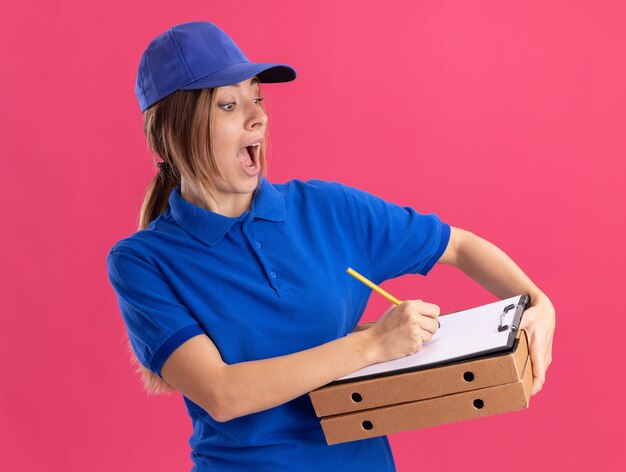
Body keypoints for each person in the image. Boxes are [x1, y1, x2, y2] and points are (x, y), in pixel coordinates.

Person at [106, 20, 556, 471]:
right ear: (172, 134)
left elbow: (457, 246)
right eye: (228, 104)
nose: (258, 115)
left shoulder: (327, 208)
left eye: (257, 96)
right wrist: (373, 343)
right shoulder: (143, 262)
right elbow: (223, 394)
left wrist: (540, 305)